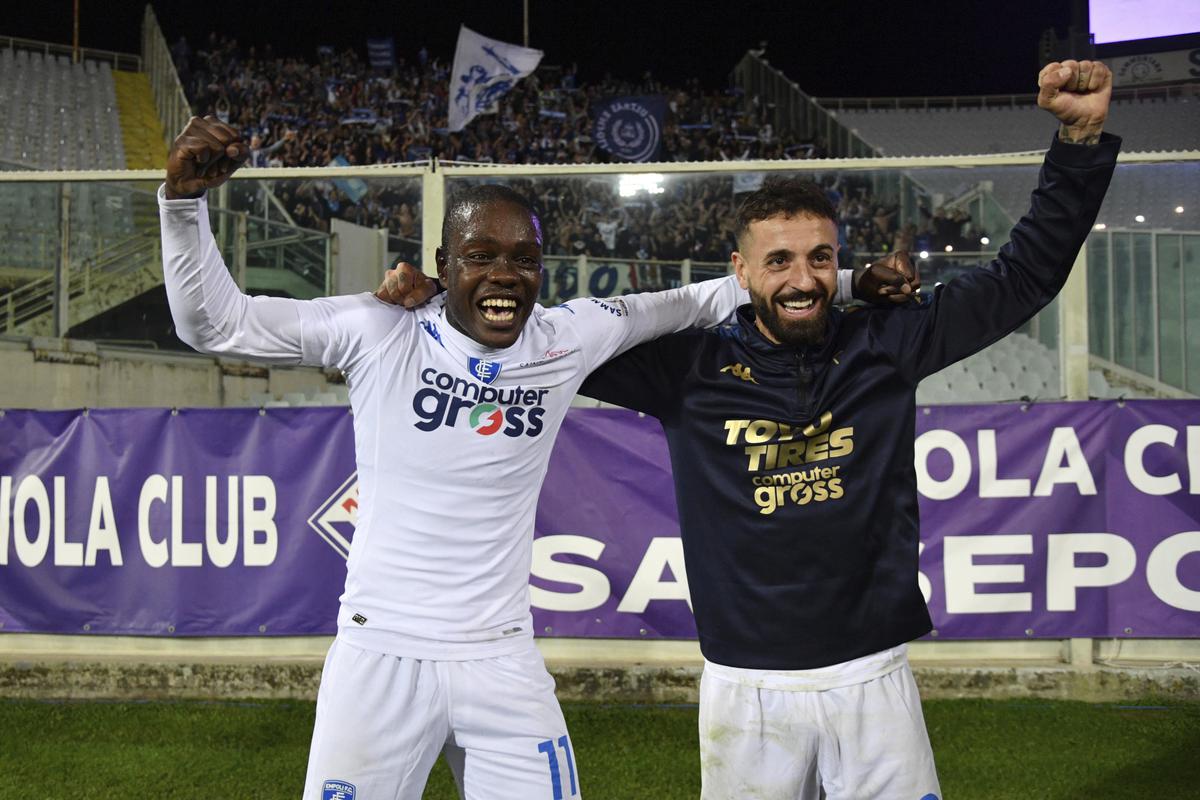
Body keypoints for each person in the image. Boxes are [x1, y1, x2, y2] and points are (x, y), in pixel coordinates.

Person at [158, 117, 911, 800]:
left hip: (501, 658)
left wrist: (845, 281)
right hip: (378, 655)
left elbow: (701, 298)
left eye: (524, 258)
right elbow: (212, 325)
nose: (504, 274)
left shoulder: (566, 336)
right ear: (443, 264)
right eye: (480, 257)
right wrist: (183, 206)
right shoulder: (377, 328)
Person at [576, 60, 1115, 799]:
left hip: (873, 676)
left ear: (839, 259)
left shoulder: (886, 344)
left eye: (823, 259)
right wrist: (431, 299)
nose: (803, 278)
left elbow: (1025, 277)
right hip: (746, 686)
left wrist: (1079, 141)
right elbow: (552, 342)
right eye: (780, 261)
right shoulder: (687, 370)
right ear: (739, 270)